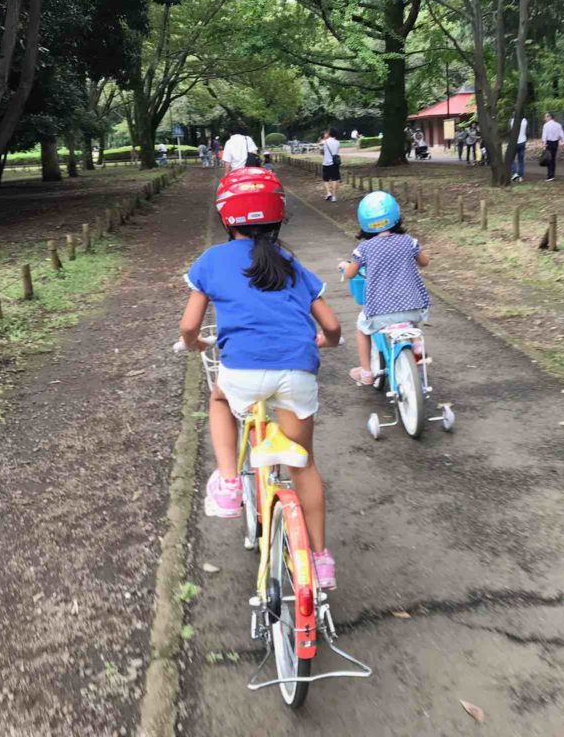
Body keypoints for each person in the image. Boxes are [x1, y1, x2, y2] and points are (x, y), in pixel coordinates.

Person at [179, 167, 342, 588]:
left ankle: (230, 482)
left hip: (243, 372)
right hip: (297, 373)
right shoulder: (288, 261)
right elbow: (333, 325)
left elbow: (188, 325)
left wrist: (196, 343)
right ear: (278, 215)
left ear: (225, 217)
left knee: (219, 400)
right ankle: (320, 562)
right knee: (302, 465)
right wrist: (327, 342)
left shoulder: (211, 260)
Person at [338, 191, 431, 388]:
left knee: (362, 328)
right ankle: (417, 350)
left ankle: (366, 372)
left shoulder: (364, 249)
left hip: (380, 312)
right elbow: (424, 262)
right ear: (396, 216)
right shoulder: (409, 241)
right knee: (411, 322)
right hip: (414, 308)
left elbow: (350, 273)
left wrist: (344, 266)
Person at [540, 113, 564, 181]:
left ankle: (550, 176)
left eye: (545, 117)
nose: (544, 119)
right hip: (555, 143)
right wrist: (563, 142)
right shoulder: (558, 125)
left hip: (549, 143)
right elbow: (562, 135)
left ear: (550, 117)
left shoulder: (546, 125)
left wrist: (544, 144)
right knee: (553, 158)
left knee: (548, 158)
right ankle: (552, 174)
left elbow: (544, 135)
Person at [320, 128, 341, 202]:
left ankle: (328, 192)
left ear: (329, 134)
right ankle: (334, 196)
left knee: (326, 179)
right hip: (334, 164)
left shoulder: (324, 142)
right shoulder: (338, 142)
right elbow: (337, 152)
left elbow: (321, 152)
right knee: (335, 179)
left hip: (326, 163)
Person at [510, 116, 528, 181]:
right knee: (521, 160)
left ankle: (515, 173)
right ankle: (520, 176)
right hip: (522, 141)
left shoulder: (512, 121)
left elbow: (511, 130)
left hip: (515, 142)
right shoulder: (525, 121)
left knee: (511, 158)